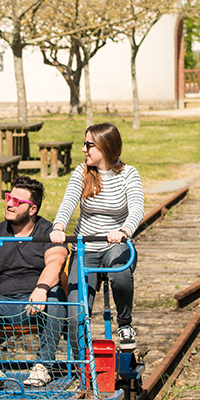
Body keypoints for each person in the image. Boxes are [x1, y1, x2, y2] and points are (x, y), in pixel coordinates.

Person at [50, 122, 144, 350]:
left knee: (121, 273)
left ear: (104, 147)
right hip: (86, 247)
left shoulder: (128, 174)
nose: (84, 150)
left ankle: (124, 323)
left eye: (88, 145)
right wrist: (58, 227)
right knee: (76, 313)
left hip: (115, 244)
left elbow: (137, 208)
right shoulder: (82, 172)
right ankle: (82, 360)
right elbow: (68, 202)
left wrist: (123, 232)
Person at [0, 176, 68, 387]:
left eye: (17, 201)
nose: (9, 204)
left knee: (57, 298)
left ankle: (43, 366)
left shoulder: (47, 232)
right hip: (4, 302)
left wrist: (41, 289)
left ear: (32, 209)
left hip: (37, 302)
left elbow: (55, 262)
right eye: (8, 197)